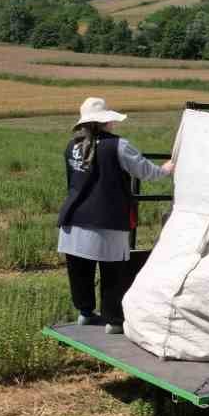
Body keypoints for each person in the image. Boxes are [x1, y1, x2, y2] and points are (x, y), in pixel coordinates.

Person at [58, 96, 172, 333]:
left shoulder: (71, 146)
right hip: (106, 219)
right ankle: (113, 321)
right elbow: (146, 172)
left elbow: (73, 183)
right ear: (106, 122)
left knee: (80, 272)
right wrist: (166, 169)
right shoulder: (119, 146)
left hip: (73, 219)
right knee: (112, 273)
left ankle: (85, 313)